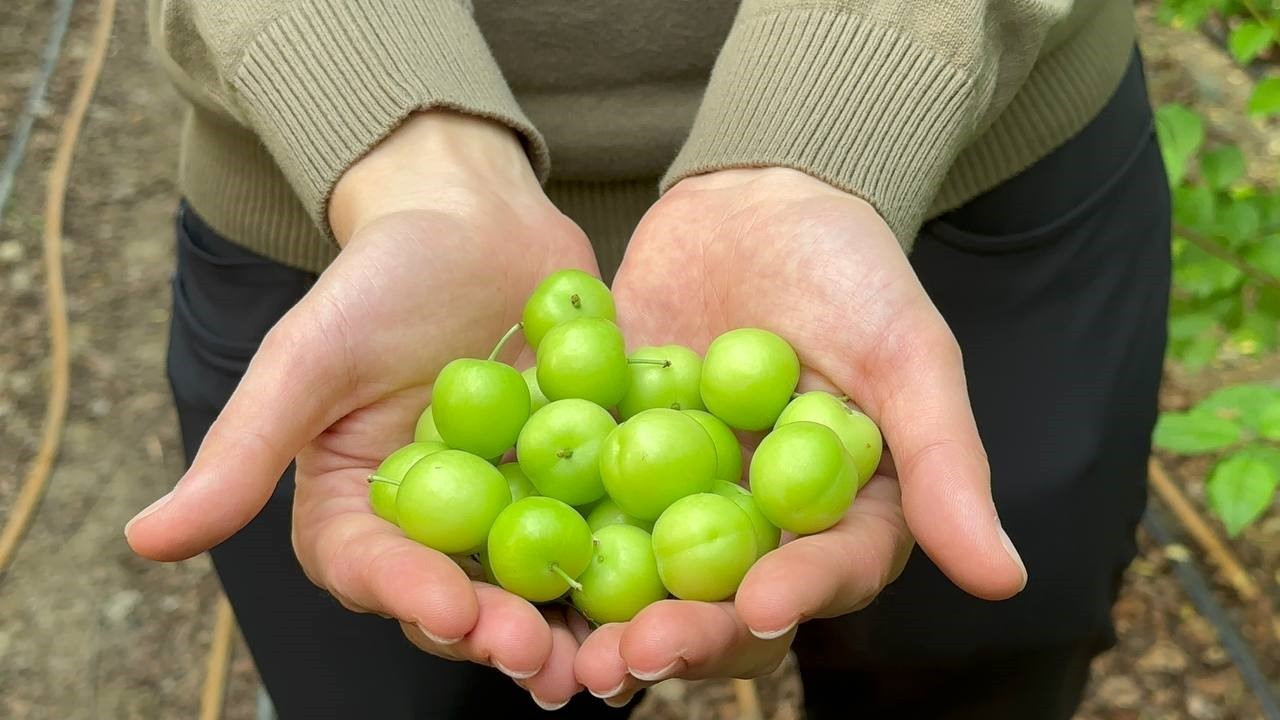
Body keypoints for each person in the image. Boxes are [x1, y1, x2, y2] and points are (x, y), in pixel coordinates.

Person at [129, 1, 1170, 718]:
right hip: (344, 210)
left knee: (972, 671)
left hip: (950, 148)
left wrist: (830, 116)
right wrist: (400, 147)